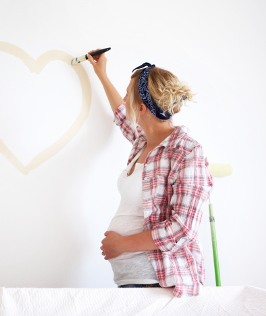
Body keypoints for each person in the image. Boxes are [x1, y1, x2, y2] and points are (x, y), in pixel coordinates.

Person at [87, 49, 214, 298]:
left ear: (142, 108)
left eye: (128, 95)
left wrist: (122, 245)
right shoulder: (142, 142)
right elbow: (121, 114)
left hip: (159, 284)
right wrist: (101, 74)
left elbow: (183, 228)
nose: (124, 99)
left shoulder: (186, 151)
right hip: (134, 282)